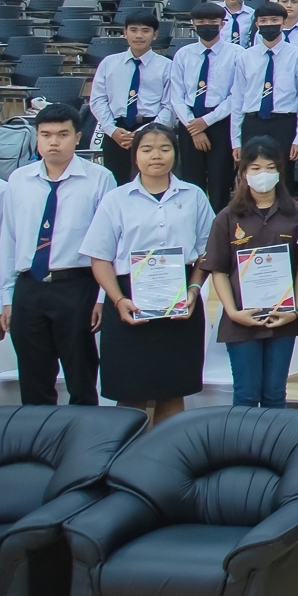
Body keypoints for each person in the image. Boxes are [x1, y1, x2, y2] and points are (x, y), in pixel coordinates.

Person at [81, 123, 212, 422]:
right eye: (147, 149)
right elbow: (99, 257)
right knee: (130, 391)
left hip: (181, 300)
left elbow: (207, 252)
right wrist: (117, 300)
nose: (157, 156)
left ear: (175, 153)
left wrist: (194, 290)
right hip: (129, 301)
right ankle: (127, 450)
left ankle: (168, 450)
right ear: (135, 155)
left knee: (173, 389)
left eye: (165, 149)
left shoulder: (194, 196)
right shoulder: (116, 199)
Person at [0, 104, 115, 404]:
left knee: (81, 374)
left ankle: (83, 430)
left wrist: (103, 297)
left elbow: (109, 244)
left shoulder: (99, 179)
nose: (53, 142)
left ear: (77, 137)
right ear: (36, 137)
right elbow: (8, 240)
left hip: (76, 285)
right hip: (29, 286)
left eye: (62, 134)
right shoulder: (19, 180)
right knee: (33, 378)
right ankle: (39, 433)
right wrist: (6, 298)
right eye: (45, 135)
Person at [202, 137, 298, 409]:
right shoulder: (227, 217)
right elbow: (218, 270)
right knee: (246, 395)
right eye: (256, 168)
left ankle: (274, 440)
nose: (263, 174)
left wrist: (295, 308)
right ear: (243, 172)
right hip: (241, 319)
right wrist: (232, 312)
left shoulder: (297, 213)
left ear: (280, 171)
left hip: (283, 319)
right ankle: (244, 441)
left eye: (270, 167)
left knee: (275, 394)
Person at [172, 2, 247, 208]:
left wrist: (206, 121)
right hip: (189, 123)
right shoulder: (183, 55)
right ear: (193, 24)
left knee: (220, 182)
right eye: (201, 22)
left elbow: (236, 95)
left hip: (221, 121)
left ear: (222, 24)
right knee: (191, 181)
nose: (207, 25)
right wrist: (194, 127)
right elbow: (176, 96)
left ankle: (218, 223)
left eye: (212, 21)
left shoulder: (237, 54)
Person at [88, 9, 173, 185]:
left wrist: (145, 132)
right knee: (116, 183)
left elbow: (170, 105)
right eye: (133, 30)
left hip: (152, 129)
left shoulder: (167, 66)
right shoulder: (109, 63)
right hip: (117, 131)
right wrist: (111, 129)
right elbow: (98, 100)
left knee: (151, 181)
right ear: (125, 33)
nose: (139, 35)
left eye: (145, 31)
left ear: (155, 35)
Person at [231, 3, 298, 184]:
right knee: (252, 175)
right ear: (257, 24)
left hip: (284, 123)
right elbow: (237, 100)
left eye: (274, 20)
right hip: (253, 122)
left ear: (284, 22)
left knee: (283, 177)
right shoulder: (245, 57)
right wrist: (236, 140)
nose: (269, 24)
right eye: (263, 21)